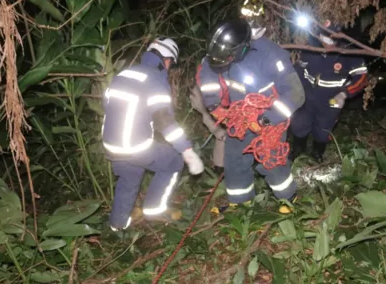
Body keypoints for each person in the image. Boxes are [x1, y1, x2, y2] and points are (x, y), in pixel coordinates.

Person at [196, 18, 305, 213]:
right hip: (238, 116)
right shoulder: (218, 54)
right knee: (234, 159)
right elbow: (208, 75)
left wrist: (266, 119)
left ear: (241, 49)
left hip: (269, 116)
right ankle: (241, 203)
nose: (220, 63)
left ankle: (289, 197)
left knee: (271, 159)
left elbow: (296, 94)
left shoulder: (270, 55)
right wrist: (215, 106)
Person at [102, 37, 204, 231]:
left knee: (130, 177)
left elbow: (107, 105)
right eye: (171, 64)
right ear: (167, 60)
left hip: (111, 144)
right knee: (173, 161)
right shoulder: (155, 79)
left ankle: (117, 225)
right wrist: (187, 151)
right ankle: (154, 210)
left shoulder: (124, 73)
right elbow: (164, 121)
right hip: (134, 146)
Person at [289, 21, 369, 162]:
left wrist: (344, 94)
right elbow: (298, 69)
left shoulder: (349, 53)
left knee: (323, 129)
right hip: (306, 95)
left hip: (331, 99)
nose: (327, 45)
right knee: (299, 123)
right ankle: (298, 149)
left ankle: (317, 153)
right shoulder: (309, 47)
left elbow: (361, 77)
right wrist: (295, 90)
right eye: (324, 39)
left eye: (332, 40)